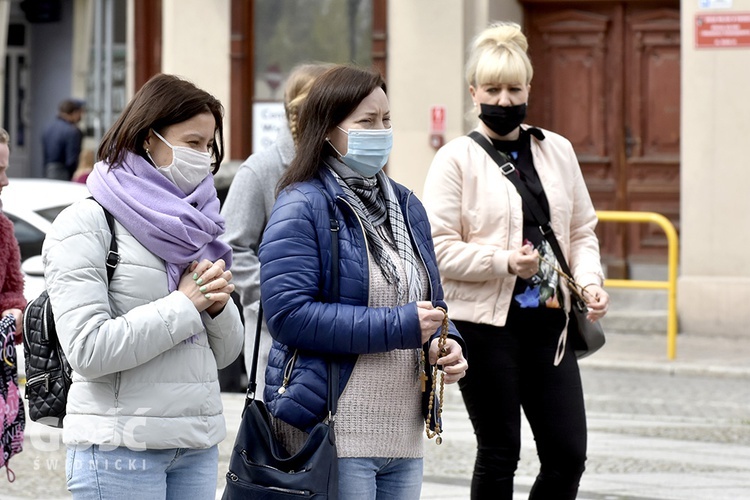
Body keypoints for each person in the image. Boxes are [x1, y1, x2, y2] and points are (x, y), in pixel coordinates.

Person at [257, 64, 469, 499]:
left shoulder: (406, 205)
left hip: (404, 434)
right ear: (329, 130)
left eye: (387, 120)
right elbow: (289, 316)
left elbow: (432, 304)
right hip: (335, 430)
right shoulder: (302, 205)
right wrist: (402, 326)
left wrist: (446, 343)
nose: (381, 131)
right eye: (367, 122)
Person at [422, 22, 610, 500]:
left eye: (514, 89)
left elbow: (581, 232)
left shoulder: (558, 151)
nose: (504, 101)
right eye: (492, 89)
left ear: (529, 88)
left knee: (568, 455)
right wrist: (504, 261)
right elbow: (437, 249)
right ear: (474, 92)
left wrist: (588, 282)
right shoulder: (455, 159)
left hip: (551, 323)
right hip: (485, 329)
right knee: (500, 451)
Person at [42, 74, 244, 499]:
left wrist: (216, 308)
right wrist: (185, 303)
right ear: (149, 138)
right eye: (192, 142)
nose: (204, 158)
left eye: (209, 146)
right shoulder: (87, 223)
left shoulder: (199, 228)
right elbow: (88, 350)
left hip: (194, 443)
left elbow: (226, 354)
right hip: (119, 447)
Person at [221, 61, 333, 397]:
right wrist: (274, 298)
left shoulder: (339, 165)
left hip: (336, 332)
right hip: (277, 340)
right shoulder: (262, 169)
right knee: (280, 436)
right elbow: (227, 248)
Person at [0, 127, 26, 343]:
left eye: (5, 170)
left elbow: (11, 290)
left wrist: (13, 309)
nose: (5, 180)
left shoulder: (4, 229)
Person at [42, 98, 85, 181]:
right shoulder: (73, 131)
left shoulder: (48, 128)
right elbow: (71, 160)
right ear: (75, 113)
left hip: (48, 172)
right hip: (63, 174)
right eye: (80, 113)